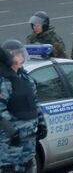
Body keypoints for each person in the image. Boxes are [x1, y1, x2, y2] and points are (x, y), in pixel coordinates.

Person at [0, 40, 46, 173]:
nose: (20, 58)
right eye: (16, 55)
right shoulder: (3, 81)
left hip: (28, 138)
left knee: (28, 167)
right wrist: (12, 131)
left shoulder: (26, 78)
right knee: (11, 169)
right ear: (7, 57)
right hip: (10, 142)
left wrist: (42, 124)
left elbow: (34, 103)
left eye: (21, 54)